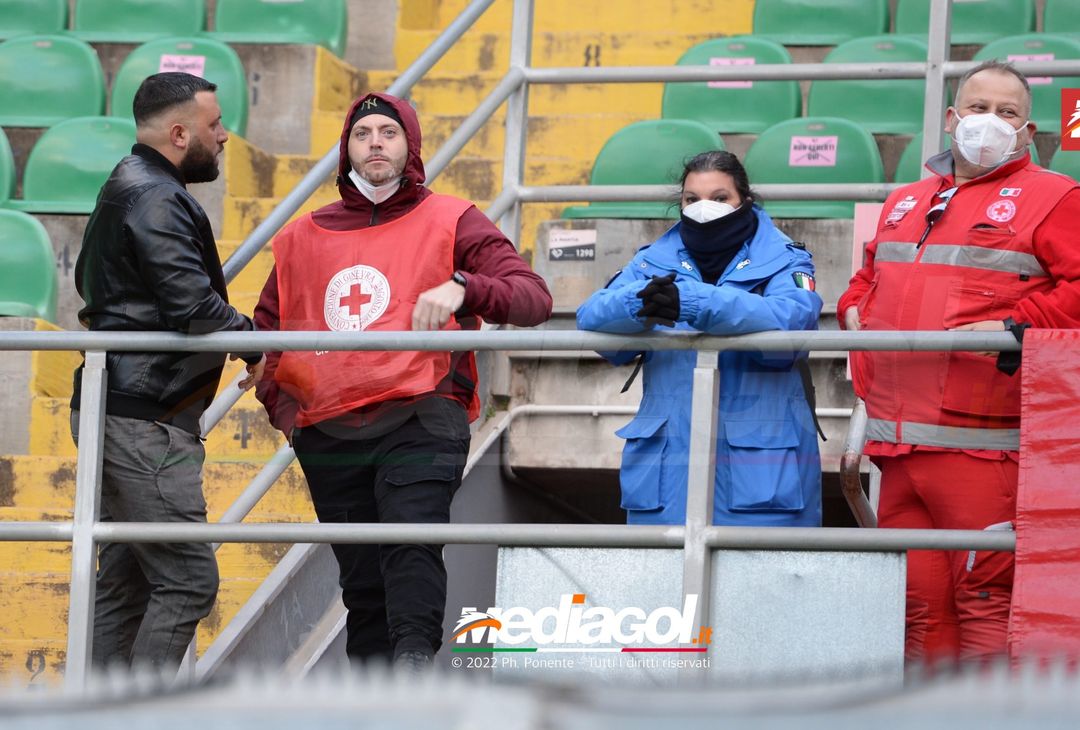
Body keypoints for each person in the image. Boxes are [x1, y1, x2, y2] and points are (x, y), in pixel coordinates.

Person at [253, 92, 552, 672]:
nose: (374, 144)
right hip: (328, 430)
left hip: (421, 413)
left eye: (387, 132)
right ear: (346, 149)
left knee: (411, 546)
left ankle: (415, 679)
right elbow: (267, 332)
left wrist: (467, 286)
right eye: (361, 133)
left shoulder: (453, 218)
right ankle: (373, 701)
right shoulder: (300, 236)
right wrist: (287, 415)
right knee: (361, 584)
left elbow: (534, 298)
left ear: (410, 144)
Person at [838, 60, 1080, 665]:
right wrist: (850, 311)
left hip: (984, 448)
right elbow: (865, 281)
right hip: (898, 448)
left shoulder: (1057, 197)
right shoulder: (905, 199)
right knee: (916, 608)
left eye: (1007, 113)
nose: (988, 123)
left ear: (1028, 132)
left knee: (985, 601)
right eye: (977, 109)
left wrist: (1014, 326)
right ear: (951, 119)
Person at [70, 72, 264, 670]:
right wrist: (259, 345)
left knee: (126, 584)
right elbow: (192, 306)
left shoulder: (132, 186)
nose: (225, 136)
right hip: (144, 419)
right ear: (179, 133)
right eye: (214, 125)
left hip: (125, 406)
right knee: (186, 578)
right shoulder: (156, 195)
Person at [576, 150, 823, 526]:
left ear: (746, 200)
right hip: (664, 477)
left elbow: (790, 324)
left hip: (762, 478)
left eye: (720, 198)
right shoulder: (652, 261)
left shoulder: (787, 260)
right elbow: (592, 319)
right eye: (692, 199)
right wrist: (639, 305)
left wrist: (691, 302)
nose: (704, 208)